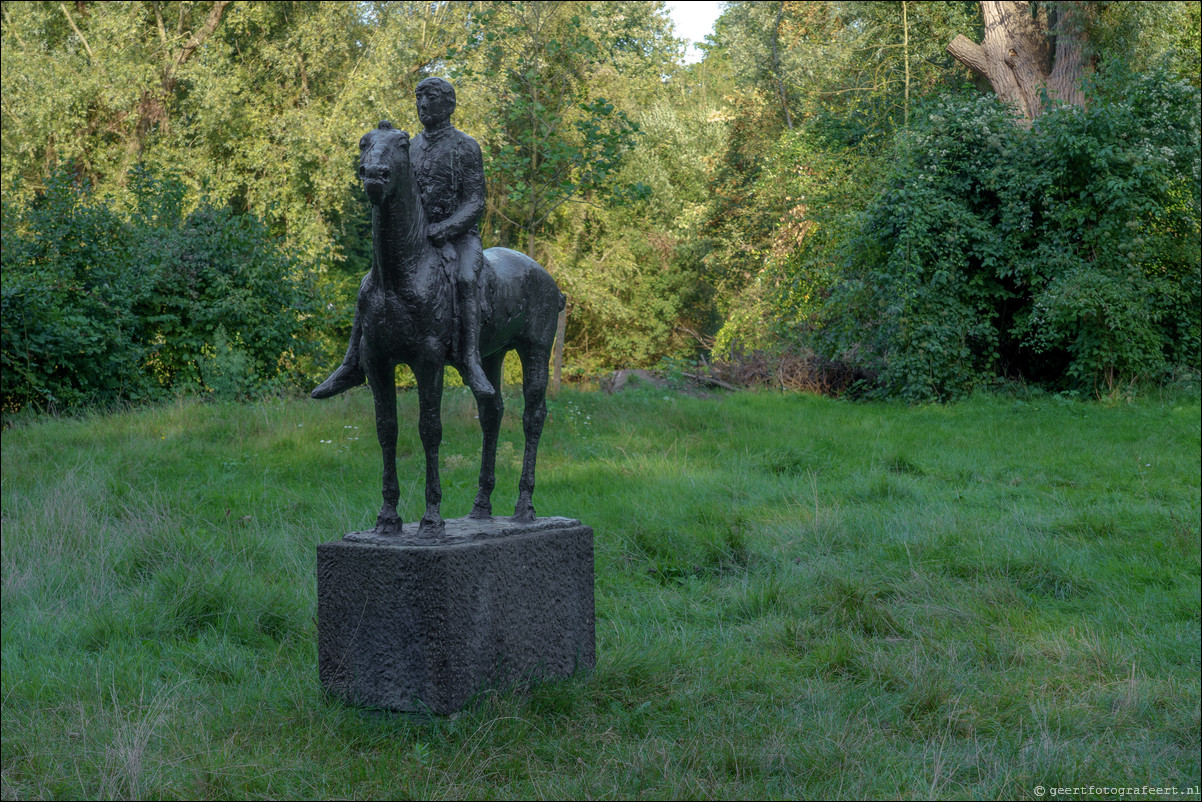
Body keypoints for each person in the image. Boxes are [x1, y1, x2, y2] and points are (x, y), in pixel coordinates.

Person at [312, 77, 494, 400]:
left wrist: (447, 227)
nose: (423, 104)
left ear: (449, 105)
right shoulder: (409, 146)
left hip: (459, 237)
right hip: (419, 240)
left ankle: (470, 359)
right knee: (370, 285)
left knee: (467, 278)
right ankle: (352, 363)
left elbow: (476, 202)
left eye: (432, 98)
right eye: (419, 97)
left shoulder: (466, 147)